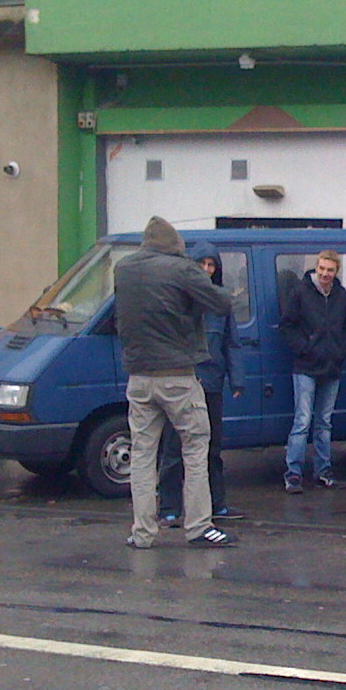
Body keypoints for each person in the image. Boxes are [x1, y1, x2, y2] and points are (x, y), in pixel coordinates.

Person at [113, 217, 235, 549]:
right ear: (176, 246)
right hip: (177, 376)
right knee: (195, 448)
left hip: (139, 378)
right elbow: (221, 304)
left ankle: (142, 533)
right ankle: (199, 527)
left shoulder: (123, 269)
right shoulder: (182, 269)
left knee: (142, 454)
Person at [155, 242, 245, 527]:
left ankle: (217, 504)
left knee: (212, 448)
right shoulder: (178, 298)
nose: (206, 270)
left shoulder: (220, 302)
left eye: (211, 265)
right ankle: (169, 507)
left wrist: (237, 379)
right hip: (182, 383)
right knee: (173, 447)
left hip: (212, 383)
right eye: (201, 264)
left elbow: (231, 343)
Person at [280, 249, 346, 494]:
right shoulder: (300, 292)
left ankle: (323, 471)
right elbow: (287, 326)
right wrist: (304, 349)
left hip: (332, 367)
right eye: (322, 268)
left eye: (330, 270)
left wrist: (342, 350)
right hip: (306, 367)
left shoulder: (341, 295)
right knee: (302, 422)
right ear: (316, 267)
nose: (325, 274)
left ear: (336, 271)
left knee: (324, 423)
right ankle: (293, 474)